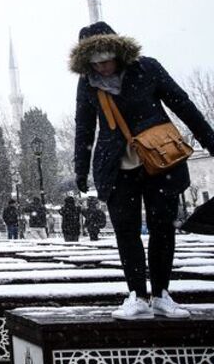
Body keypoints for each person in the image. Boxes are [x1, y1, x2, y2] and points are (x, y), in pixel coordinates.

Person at [71, 21, 214, 320]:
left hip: (160, 161)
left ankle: (162, 293)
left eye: (107, 59)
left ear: (118, 52)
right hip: (118, 167)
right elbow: (84, 127)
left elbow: (182, 104)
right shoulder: (87, 83)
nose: (103, 67)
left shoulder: (146, 69)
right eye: (95, 63)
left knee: (162, 228)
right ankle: (136, 294)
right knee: (127, 230)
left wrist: (210, 141)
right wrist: (80, 169)